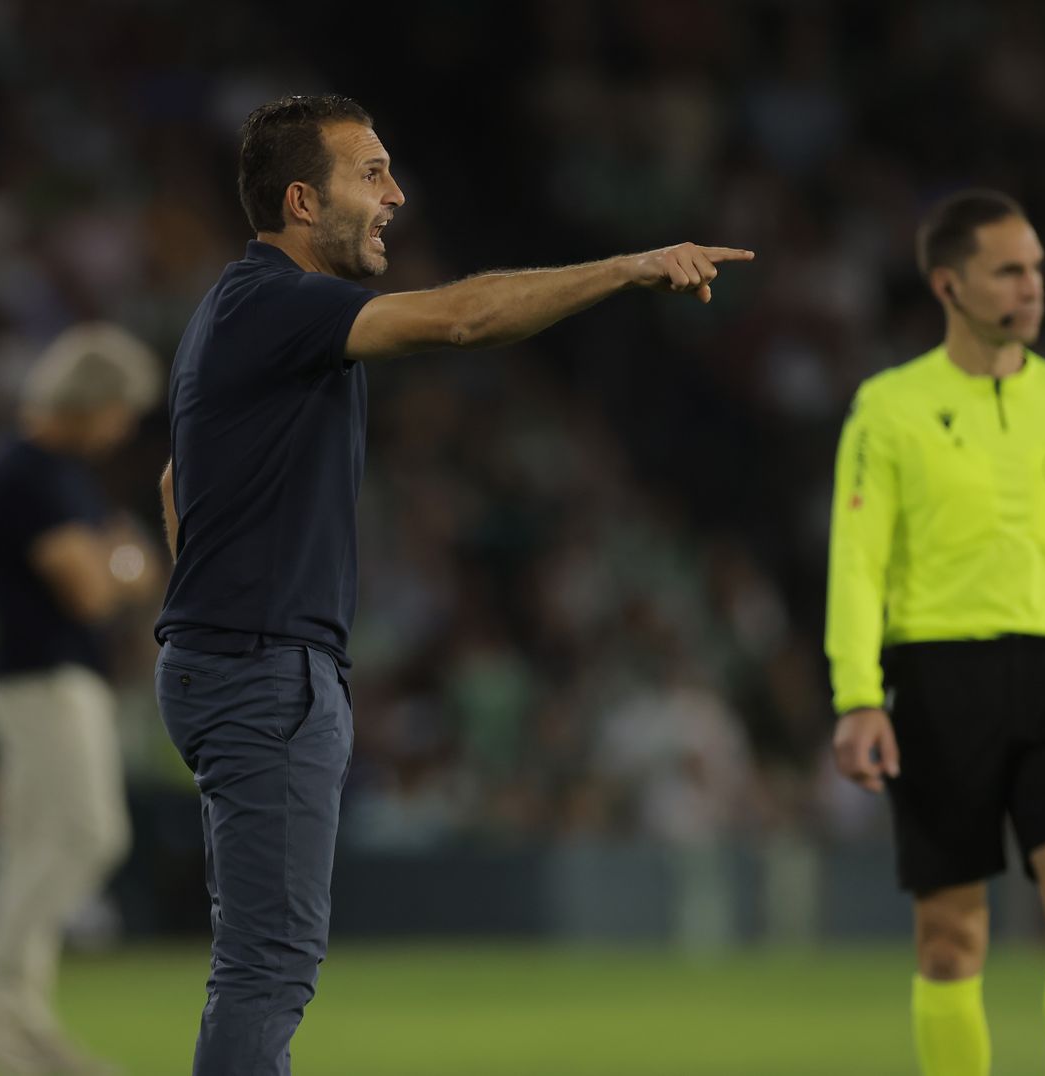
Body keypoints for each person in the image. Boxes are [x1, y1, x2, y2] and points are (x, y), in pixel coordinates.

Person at [152, 93, 753, 1075]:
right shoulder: (279, 301)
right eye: (371, 174)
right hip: (264, 671)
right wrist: (626, 265)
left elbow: (178, 480)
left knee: (263, 962)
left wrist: (206, 626)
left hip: (242, 662)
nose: (395, 194)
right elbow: (466, 320)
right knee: (267, 967)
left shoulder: (235, 308)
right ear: (302, 201)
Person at [824, 189, 1045, 1076]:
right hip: (937, 684)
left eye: (1038, 268)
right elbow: (857, 560)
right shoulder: (889, 408)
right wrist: (858, 698)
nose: (1033, 287)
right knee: (948, 949)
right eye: (1010, 271)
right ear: (949, 285)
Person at [0, 323, 163, 1076]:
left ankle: (19, 1021)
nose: (123, 426)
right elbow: (97, 585)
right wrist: (120, 563)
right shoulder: (29, 473)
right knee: (89, 835)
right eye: (120, 409)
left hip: (43, 678)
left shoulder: (57, 475)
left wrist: (119, 559)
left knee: (31, 849)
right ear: (93, 401)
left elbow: (127, 560)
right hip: (44, 678)